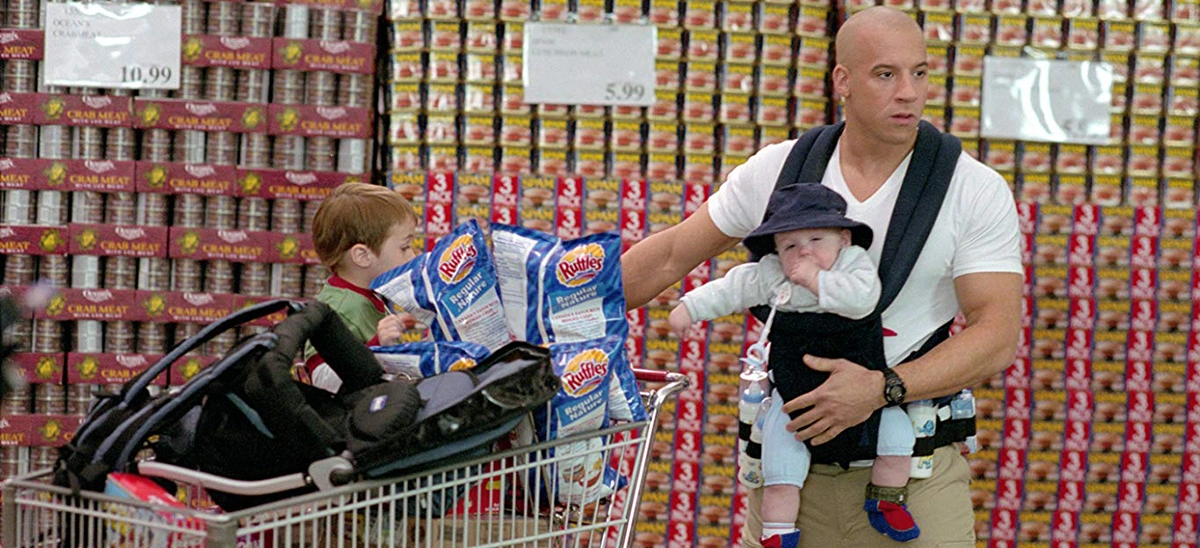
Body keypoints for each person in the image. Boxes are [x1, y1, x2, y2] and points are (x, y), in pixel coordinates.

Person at [620, 6, 1022, 546]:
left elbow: (996, 333)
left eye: (920, 72)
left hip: (912, 484)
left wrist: (881, 389)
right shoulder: (779, 171)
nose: (909, 92)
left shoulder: (973, 189)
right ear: (843, 81)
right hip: (787, 487)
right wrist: (559, 307)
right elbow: (670, 256)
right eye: (885, 74)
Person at [668, 183, 922, 545]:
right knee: (781, 467)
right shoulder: (772, 275)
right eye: (789, 246)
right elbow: (732, 287)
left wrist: (817, 281)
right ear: (775, 250)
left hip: (865, 393)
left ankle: (886, 500)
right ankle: (777, 530)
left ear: (844, 239)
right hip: (793, 394)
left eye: (816, 239)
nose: (803, 252)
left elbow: (863, 300)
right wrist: (689, 308)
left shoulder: (854, 265)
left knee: (898, 438)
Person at [303, 182, 420, 392]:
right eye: (405, 247)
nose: (413, 256)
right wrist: (377, 347)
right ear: (362, 256)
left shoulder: (367, 294)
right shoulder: (339, 309)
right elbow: (322, 380)